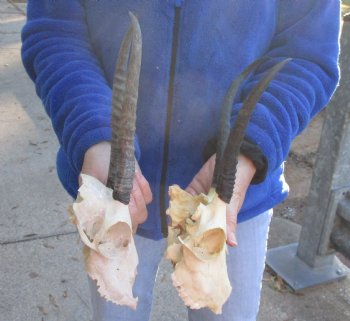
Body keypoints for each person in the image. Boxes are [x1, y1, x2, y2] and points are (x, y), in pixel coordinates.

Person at [21, 1, 341, 320]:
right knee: (116, 302)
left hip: (231, 195)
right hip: (115, 191)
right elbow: (55, 32)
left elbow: (308, 55)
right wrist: (96, 135)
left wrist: (247, 151)